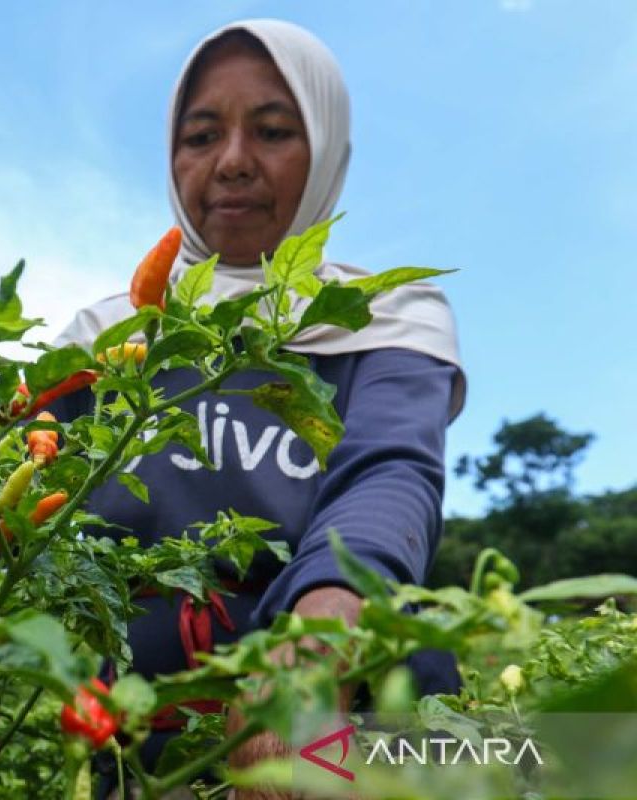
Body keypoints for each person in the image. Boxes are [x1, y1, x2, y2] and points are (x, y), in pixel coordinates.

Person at [47, 19, 466, 792]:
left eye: (273, 131)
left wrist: (318, 628)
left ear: (327, 148)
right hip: (119, 714)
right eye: (202, 135)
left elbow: (389, 472)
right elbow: (25, 500)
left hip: (338, 674)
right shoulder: (105, 333)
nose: (233, 162)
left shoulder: (388, 312)